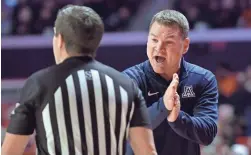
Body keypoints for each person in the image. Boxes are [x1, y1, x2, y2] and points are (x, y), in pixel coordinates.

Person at [1, 5, 157, 155]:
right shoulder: (125, 86)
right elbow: (147, 151)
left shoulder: (38, 84)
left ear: (60, 40)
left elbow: (9, 152)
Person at [123, 10, 218, 155]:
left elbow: (208, 133)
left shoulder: (203, 79)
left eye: (168, 42)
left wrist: (177, 118)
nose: (158, 48)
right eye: (154, 40)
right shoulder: (130, 79)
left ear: (185, 46)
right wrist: (163, 106)